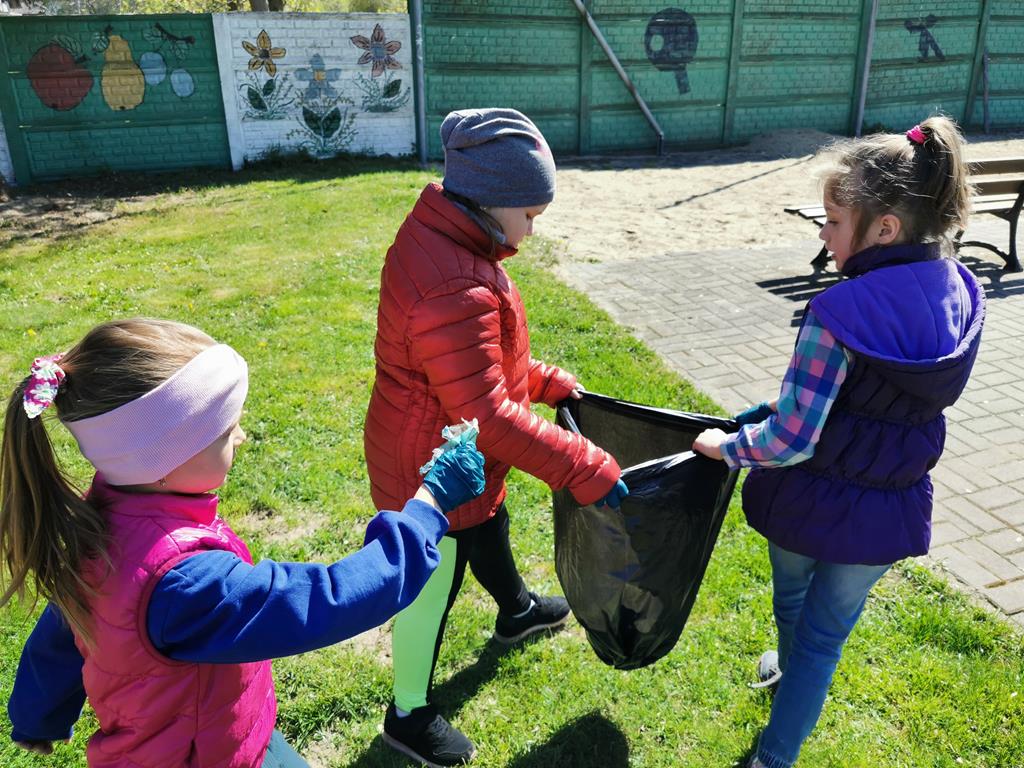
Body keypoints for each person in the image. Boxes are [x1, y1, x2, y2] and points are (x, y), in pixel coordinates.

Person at [1, 318, 487, 766]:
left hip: (215, 737)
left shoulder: (102, 524)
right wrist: (427, 507)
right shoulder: (184, 582)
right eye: (224, 430)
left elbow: (63, 630)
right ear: (164, 460)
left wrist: (37, 714)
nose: (241, 436)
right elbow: (328, 600)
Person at [693, 116, 985, 768]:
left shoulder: (837, 312)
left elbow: (793, 438)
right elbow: (868, 404)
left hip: (808, 501)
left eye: (832, 221)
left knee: (795, 606)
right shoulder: (961, 291)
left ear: (885, 228)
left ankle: (776, 737)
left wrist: (727, 448)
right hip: (887, 509)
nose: (822, 234)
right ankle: (782, 726)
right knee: (823, 641)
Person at [364, 107, 628, 766]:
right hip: (428, 467)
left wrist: (544, 381)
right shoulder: (454, 280)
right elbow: (486, 413)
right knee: (431, 582)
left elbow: (484, 364)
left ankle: (516, 610)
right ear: (491, 200)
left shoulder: (459, 244)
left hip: (456, 450)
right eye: (530, 214)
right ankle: (407, 713)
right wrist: (584, 465)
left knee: (488, 525)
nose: (533, 229)